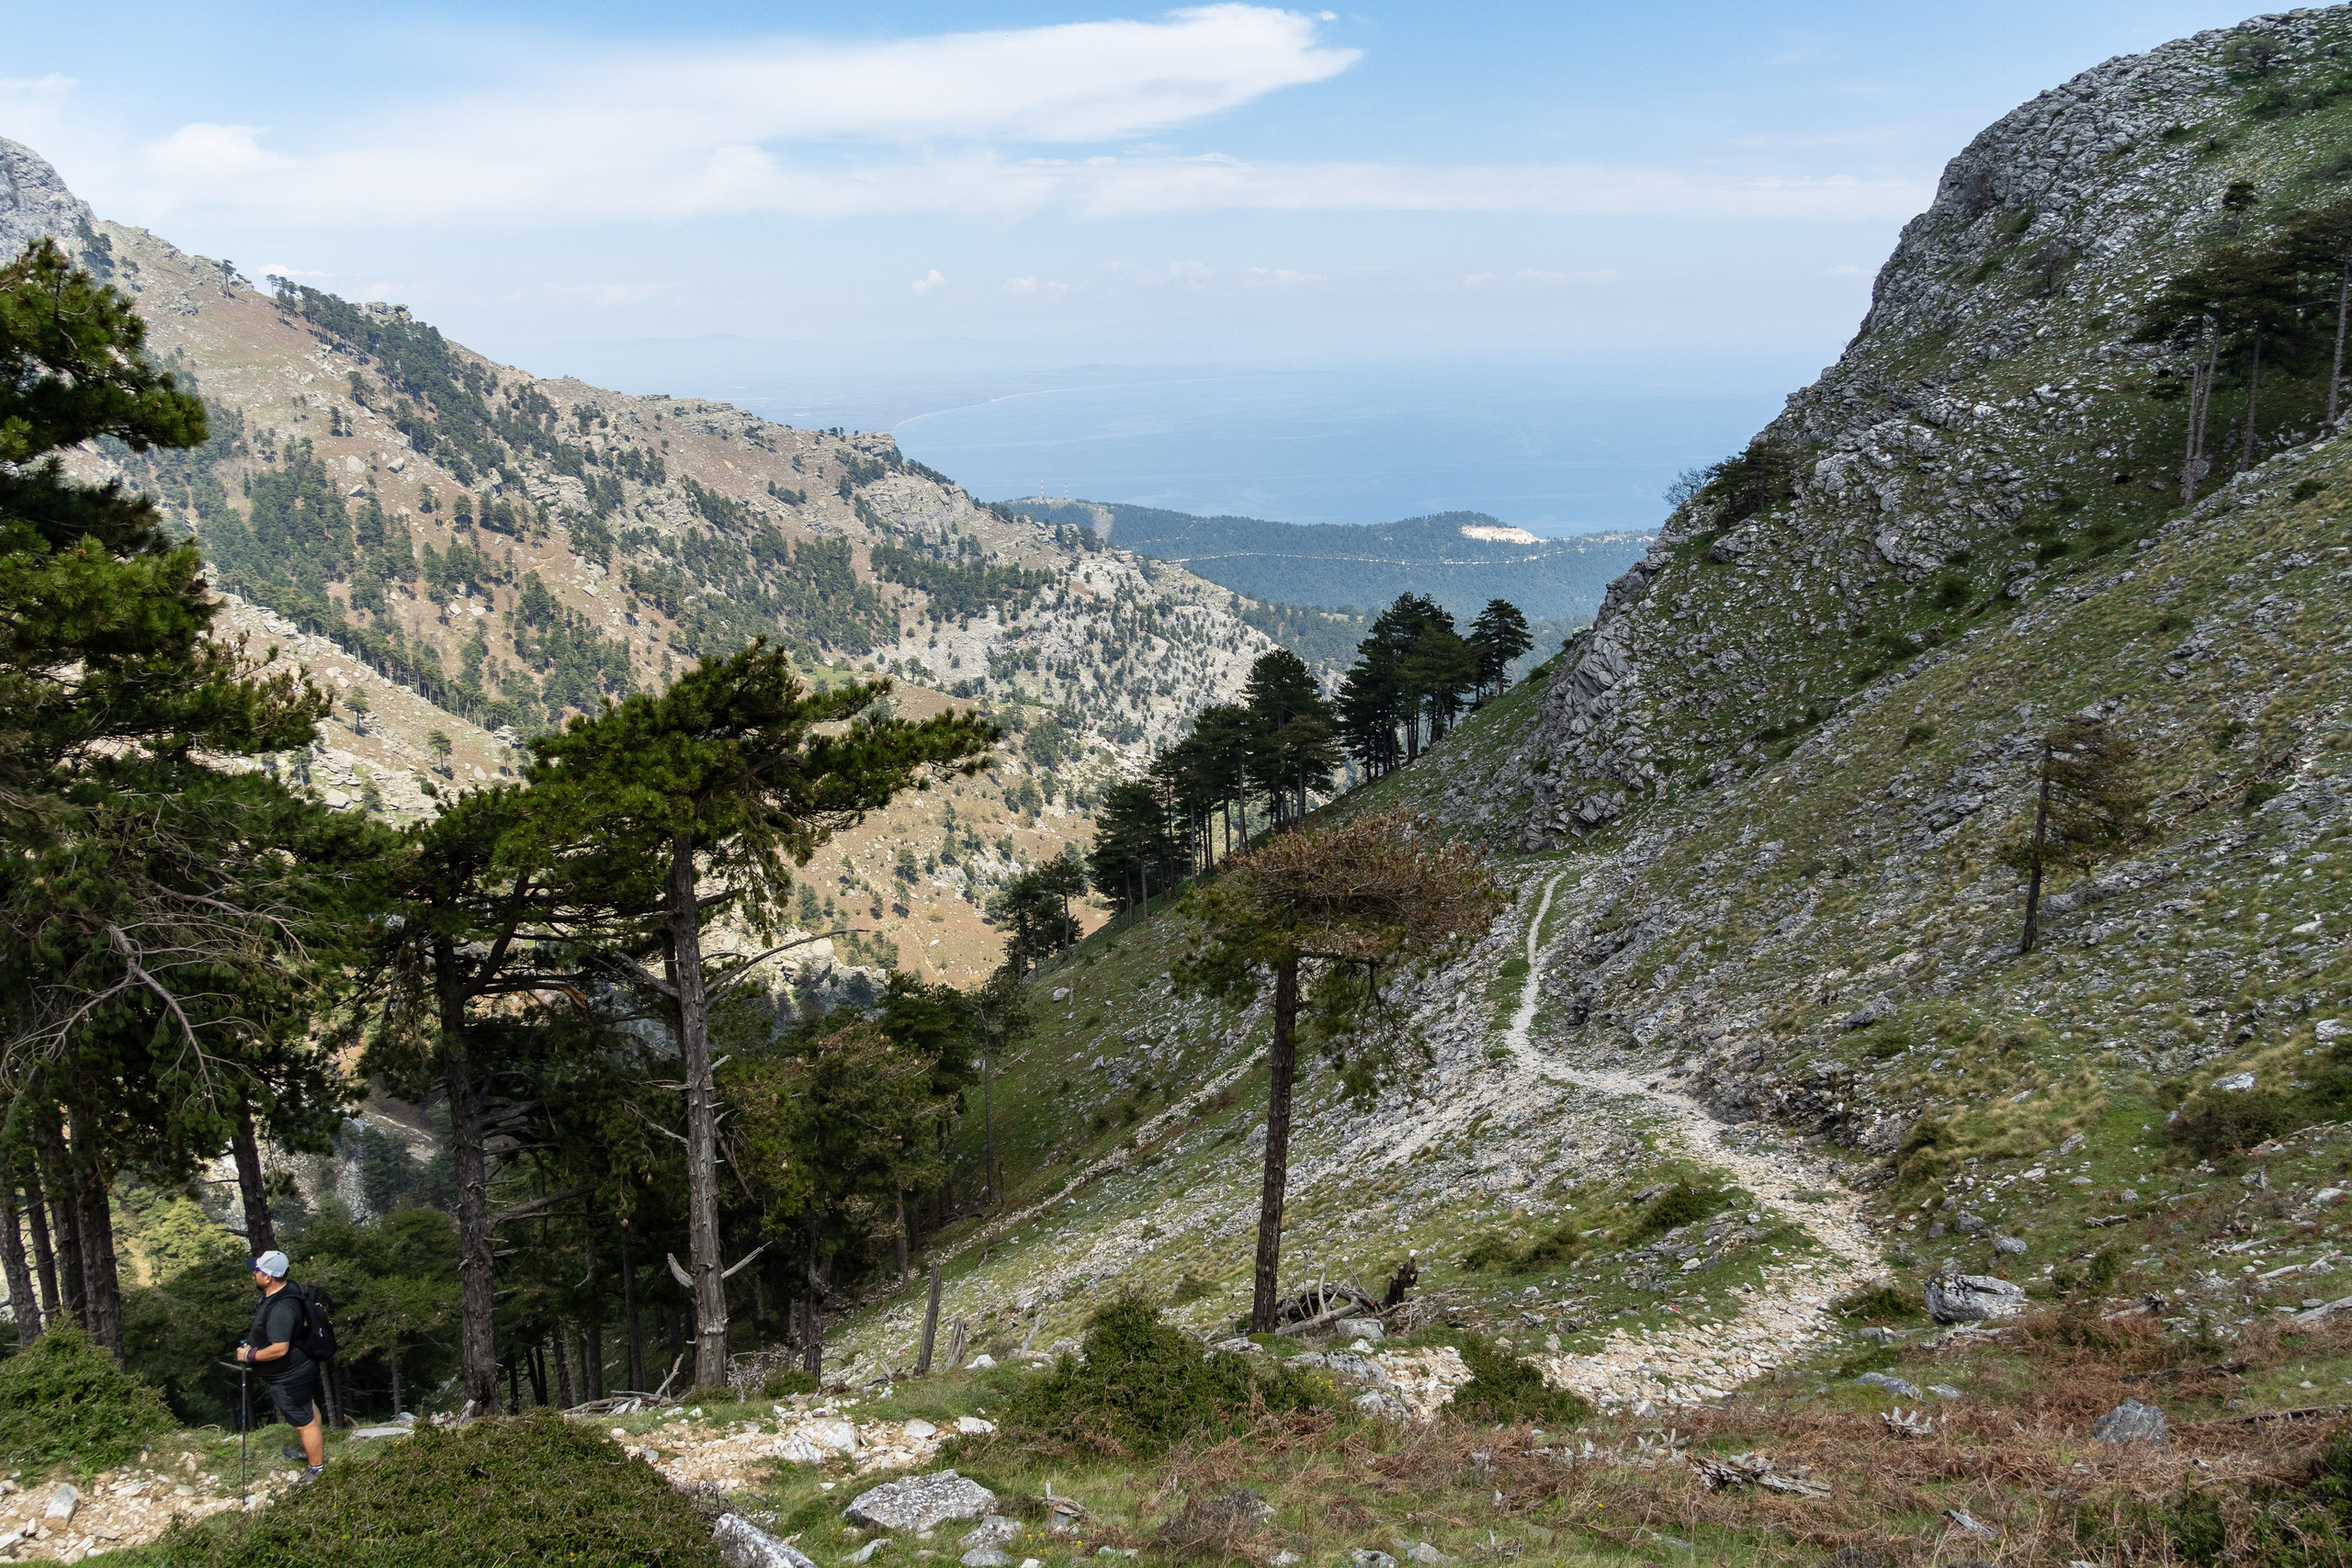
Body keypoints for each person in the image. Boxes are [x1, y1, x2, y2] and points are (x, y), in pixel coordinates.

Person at [238, 1250, 325, 1483]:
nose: (253, 1274)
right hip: (301, 1366)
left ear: (268, 1278)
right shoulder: (287, 1289)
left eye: (257, 1271)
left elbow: (279, 1349)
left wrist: (250, 1354)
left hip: (289, 1376)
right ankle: (311, 1451)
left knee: (303, 1423)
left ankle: (316, 1470)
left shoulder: (281, 1309)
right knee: (307, 1406)